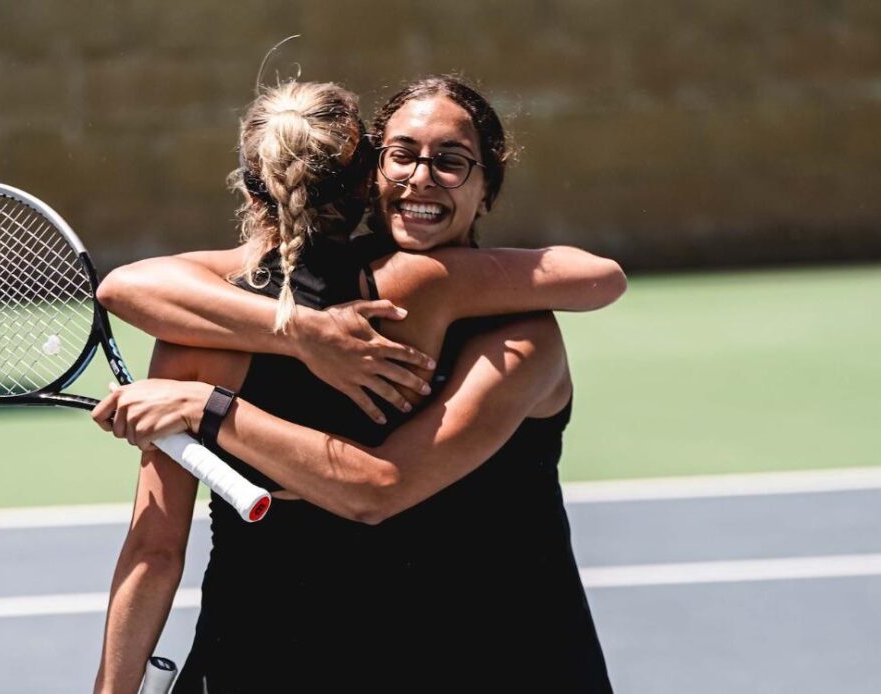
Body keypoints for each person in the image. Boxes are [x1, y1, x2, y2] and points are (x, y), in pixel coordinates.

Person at [92, 77, 624, 693]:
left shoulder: (202, 329)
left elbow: (160, 549)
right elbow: (597, 277)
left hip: (300, 657)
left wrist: (207, 406)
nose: (422, 177)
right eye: (403, 156)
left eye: (450, 161)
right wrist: (301, 332)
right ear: (369, 173)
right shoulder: (429, 293)